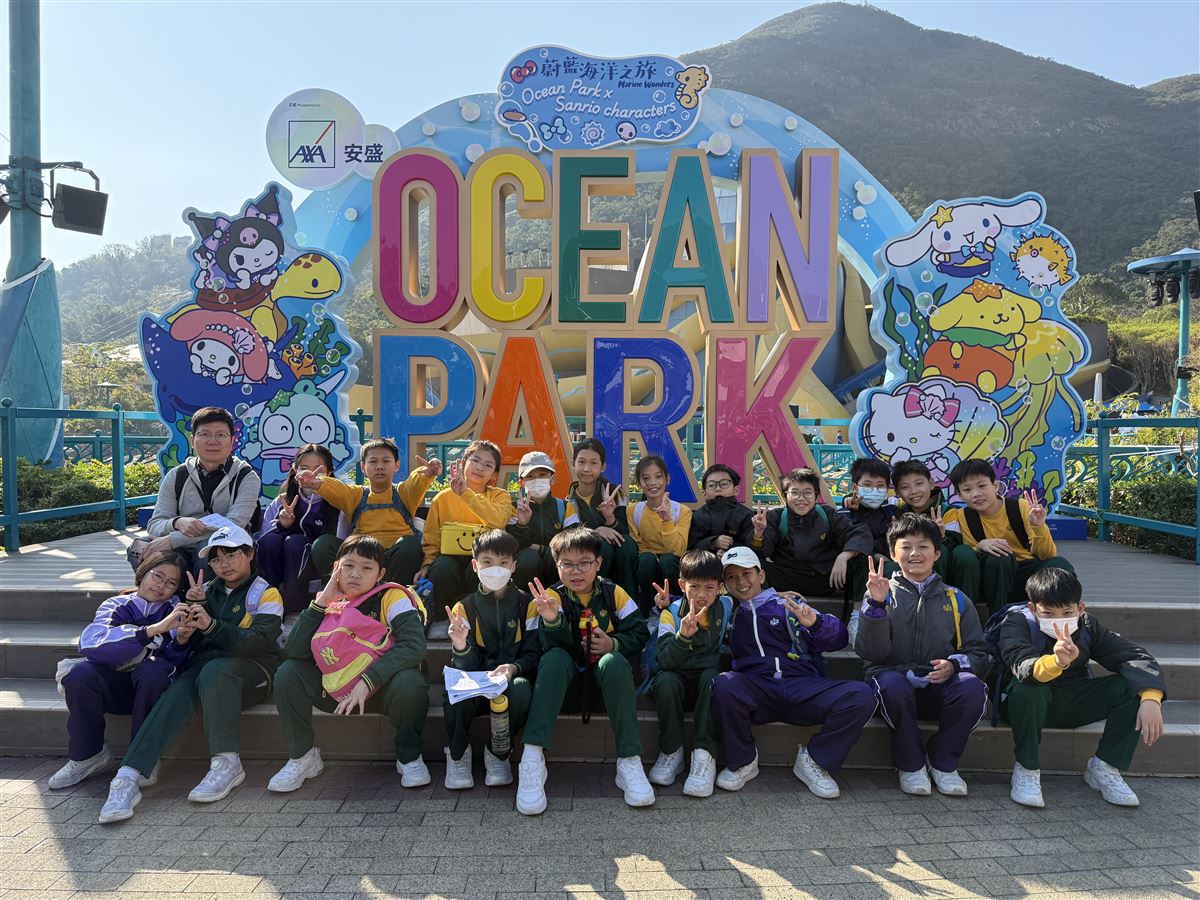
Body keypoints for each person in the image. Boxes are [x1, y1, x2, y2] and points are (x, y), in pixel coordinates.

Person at [98, 525, 282, 823]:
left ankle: (227, 762)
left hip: (255, 672)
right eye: (216, 559)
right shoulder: (204, 591)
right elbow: (194, 643)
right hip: (206, 671)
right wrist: (186, 632)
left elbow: (259, 643)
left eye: (231, 555)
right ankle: (128, 776)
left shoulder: (267, 592)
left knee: (214, 671)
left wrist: (211, 625)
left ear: (250, 553)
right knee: (177, 692)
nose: (223, 565)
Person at [268, 535, 431, 792]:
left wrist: (368, 680)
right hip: (336, 690)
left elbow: (414, 646)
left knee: (410, 682)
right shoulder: (327, 600)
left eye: (366, 568)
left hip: (383, 690)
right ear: (336, 568)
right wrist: (321, 603)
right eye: (348, 565)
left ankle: (409, 756)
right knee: (288, 673)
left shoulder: (392, 597)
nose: (355, 574)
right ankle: (302, 757)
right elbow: (294, 650)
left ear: (381, 574)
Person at [713, 546, 876, 799]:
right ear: (724, 585)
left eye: (746, 574)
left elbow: (839, 639)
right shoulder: (727, 613)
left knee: (862, 695)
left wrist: (816, 624)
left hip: (802, 688)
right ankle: (743, 761)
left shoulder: (788, 605)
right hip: (758, 692)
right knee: (724, 684)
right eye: (732, 577)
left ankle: (815, 760)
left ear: (761, 575)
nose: (741, 582)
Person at [1000, 567, 1165, 809]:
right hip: (1026, 704)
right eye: (1048, 613)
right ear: (1033, 608)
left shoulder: (1087, 626)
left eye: (1067, 612)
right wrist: (1057, 662)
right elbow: (1022, 665)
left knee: (1131, 686)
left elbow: (1133, 656)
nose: (1059, 620)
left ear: (1081, 608)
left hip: (1073, 699)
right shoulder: (1018, 622)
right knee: (1027, 688)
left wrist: (1150, 698)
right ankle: (1027, 769)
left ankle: (1104, 767)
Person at [517, 527, 653, 814]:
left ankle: (629, 761)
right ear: (557, 565)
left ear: (598, 563)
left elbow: (640, 633)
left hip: (605, 689)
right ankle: (532, 759)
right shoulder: (547, 598)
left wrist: (613, 643)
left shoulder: (614, 593)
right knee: (554, 658)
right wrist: (553, 621)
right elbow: (539, 648)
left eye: (584, 563)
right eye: (567, 564)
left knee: (614, 661)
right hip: (561, 690)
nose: (576, 571)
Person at [854, 515, 989, 796]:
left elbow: (979, 653)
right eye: (906, 546)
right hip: (894, 687)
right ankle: (911, 764)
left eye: (924, 546)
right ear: (893, 554)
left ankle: (942, 763)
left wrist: (953, 666)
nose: (915, 553)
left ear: (937, 553)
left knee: (972, 687)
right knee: (891, 684)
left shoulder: (956, 599)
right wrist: (876, 606)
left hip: (938, 688)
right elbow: (870, 654)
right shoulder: (880, 594)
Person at [49, 552, 192, 790]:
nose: (161, 586)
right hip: (115, 688)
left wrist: (182, 641)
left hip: (153, 694)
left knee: (154, 671)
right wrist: (150, 631)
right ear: (142, 573)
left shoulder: (176, 610)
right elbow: (93, 645)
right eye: (158, 576)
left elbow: (173, 663)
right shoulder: (115, 605)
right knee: (80, 675)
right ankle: (88, 755)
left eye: (171, 583)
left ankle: (143, 758)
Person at [443, 529, 540, 790]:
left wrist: (513, 668)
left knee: (522, 689)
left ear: (514, 566)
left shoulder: (528, 605)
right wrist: (460, 645)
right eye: (487, 562)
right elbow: (464, 665)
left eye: (503, 562)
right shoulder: (464, 608)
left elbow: (533, 654)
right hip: (477, 684)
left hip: (509, 682)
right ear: (475, 566)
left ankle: (498, 753)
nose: (495, 569)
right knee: (453, 689)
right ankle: (457, 754)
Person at [134, 406, 261, 582]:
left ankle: (205, 599)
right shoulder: (177, 475)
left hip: (225, 545)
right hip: (182, 547)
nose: (213, 441)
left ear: (232, 441)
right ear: (193, 441)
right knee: (140, 548)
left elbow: (234, 525)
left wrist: (173, 540)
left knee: (208, 550)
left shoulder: (246, 477)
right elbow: (155, 524)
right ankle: (162, 597)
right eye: (205, 434)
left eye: (221, 435)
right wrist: (177, 522)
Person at [304, 437, 441, 588]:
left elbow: (416, 481)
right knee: (323, 544)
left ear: (396, 465)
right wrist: (317, 483)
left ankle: (390, 594)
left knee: (410, 545)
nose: (379, 466)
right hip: (359, 558)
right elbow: (337, 489)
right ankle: (341, 592)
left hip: (394, 560)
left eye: (386, 461)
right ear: (363, 467)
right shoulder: (356, 495)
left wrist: (427, 473)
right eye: (373, 461)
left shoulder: (404, 493)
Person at [648, 549, 730, 798]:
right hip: (678, 678)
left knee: (714, 679)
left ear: (720, 588)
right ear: (682, 585)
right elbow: (664, 659)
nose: (702, 595)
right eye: (694, 587)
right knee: (665, 681)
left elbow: (751, 591)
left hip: (706, 680)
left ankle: (705, 755)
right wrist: (682, 637)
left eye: (709, 587)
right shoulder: (670, 613)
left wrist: (779, 594)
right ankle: (672, 751)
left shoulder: (726, 606)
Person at [943, 459, 1073, 615]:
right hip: (993, 579)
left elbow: (1047, 555)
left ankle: (1061, 616)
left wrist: (1038, 527)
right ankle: (997, 618)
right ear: (960, 495)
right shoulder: (960, 517)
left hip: (1026, 575)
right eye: (967, 489)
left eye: (982, 486)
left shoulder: (1021, 507)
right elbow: (962, 555)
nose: (976, 494)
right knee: (999, 557)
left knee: (1060, 565)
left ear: (995, 486)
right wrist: (980, 546)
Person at [418, 440, 514, 638]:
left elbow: (498, 521)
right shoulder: (443, 498)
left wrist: (466, 494)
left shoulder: (500, 496)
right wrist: (427, 563)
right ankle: (441, 619)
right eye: (475, 460)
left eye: (488, 465)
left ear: (494, 474)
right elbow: (431, 536)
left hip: (484, 557)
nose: (480, 467)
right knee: (442, 568)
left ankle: (478, 620)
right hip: (449, 557)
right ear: (463, 463)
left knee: (482, 570)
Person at [753, 467, 872, 620]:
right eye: (795, 493)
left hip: (825, 579)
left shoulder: (827, 514)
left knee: (861, 561)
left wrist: (844, 556)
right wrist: (758, 533)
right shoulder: (776, 516)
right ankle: (762, 603)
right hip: (786, 578)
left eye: (807, 493)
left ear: (817, 496)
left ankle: (857, 616)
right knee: (752, 564)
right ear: (785, 496)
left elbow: (858, 532)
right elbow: (763, 552)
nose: (801, 498)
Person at [256, 444, 340, 613]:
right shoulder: (284, 500)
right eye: (304, 468)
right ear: (295, 471)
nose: (310, 474)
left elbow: (339, 540)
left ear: (329, 473)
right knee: (270, 541)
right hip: (283, 562)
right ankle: (267, 603)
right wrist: (282, 524)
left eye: (319, 470)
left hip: (313, 564)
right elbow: (263, 534)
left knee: (294, 543)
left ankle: (293, 611)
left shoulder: (336, 503)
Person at [891, 460, 979, 597]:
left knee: (948, 550)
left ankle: (963, 604)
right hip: (913, 571)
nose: (914, 491)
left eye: (919, 483)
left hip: (949, 572)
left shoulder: (948, 511)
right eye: (905, 487)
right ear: (897, 492)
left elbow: (957, 547)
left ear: (931, 483)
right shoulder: (898, 514)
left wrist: (942, 537)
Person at [568, 438, 637, 596]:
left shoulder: (614, 493)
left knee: (627, 544)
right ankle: (596, 599)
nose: (587, 468)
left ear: (602, 466)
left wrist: (610, 518)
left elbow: (625, 530)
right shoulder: (569, 501)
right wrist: (596, 531)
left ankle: (630, 602)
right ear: (573, 464)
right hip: (590, 555)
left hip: (619, 554)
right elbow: (571, 535)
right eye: (581, 462)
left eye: (593, 463)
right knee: (601, 546)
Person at [628, 455, 691, 615]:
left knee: (667, 560)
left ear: (667, 479)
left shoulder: (682, 511)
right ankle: (650, 612)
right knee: (646, 560)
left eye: (658, 476)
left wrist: (667, 520)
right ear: (638, 483)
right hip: (648, 562)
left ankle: (675, 610)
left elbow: (678, 550)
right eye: (646, 478)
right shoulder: (633, 510)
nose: (652, 483)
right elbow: (637, 544)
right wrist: (653, 558)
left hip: (671, 563)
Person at [509, 450, 580, 591]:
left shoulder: (565, 507)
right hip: (526, 568)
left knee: (556, 555)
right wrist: (522, 524)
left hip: (556, 566)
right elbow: (512, 544)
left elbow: (572, 543)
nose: (536, 480)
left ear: (552, 479)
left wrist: (541, 549)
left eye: (542, 475)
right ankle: (525, 600)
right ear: (522, 483)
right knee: (529, 557)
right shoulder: (513, 508)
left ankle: (559, 597)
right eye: (530, 476)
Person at [842, 458, 900, 576]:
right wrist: (875, 556)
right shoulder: (845, 514)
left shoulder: (892, 512)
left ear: (887, 489)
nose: (874, 490)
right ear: (854, 487)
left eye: (880, 486)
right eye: (867, 485)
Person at [687, 464, 756, 554]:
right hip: (705, 560)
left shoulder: (746, 515)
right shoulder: (698, 516)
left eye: (724, 484)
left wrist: (729, 551)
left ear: (736, 490)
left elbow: (752, 549)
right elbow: (692, 546)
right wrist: (713, 542)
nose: (718, 489)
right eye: (711, 485)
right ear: (704, 493)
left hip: (738, 560)